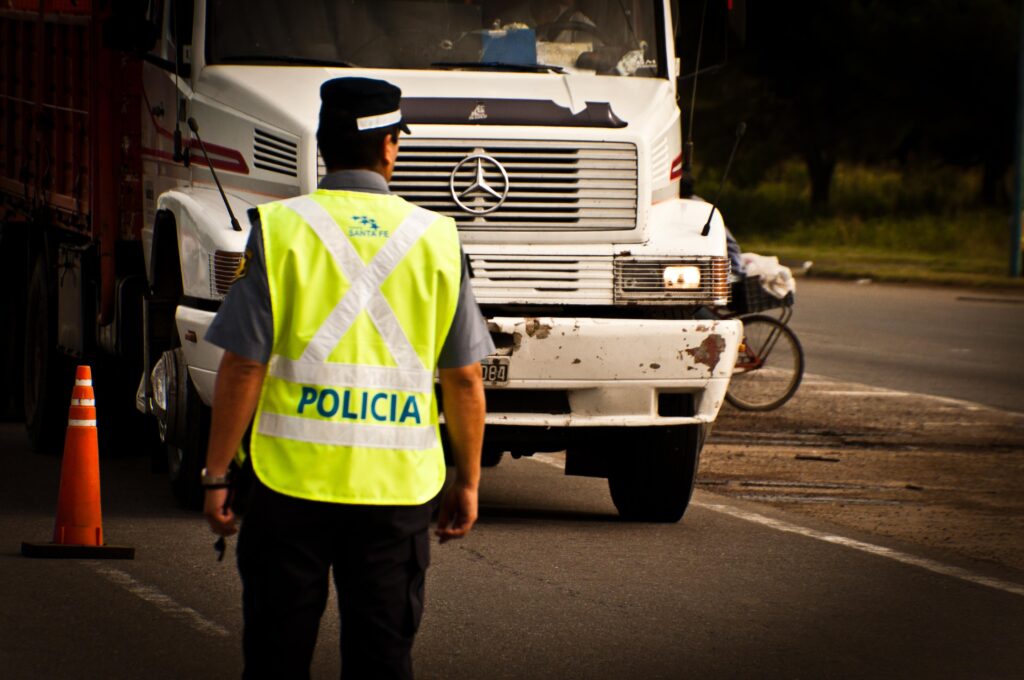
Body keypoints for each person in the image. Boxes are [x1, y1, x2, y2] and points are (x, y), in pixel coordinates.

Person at [200, 76, 494, 679]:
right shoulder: (436, 238)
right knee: (382, 661)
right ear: (389, 148)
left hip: (289, 488)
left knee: (276, 661)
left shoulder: (280, 230)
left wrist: (215, 474)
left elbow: (245, 363)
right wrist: (467, 481)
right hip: (396, 494)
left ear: (324, 144)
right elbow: (462, 378)